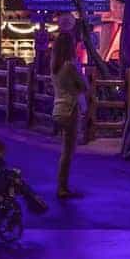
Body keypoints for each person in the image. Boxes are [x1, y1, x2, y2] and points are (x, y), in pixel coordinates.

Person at [52, 31, 91, 199]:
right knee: (68, 151)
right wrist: (80, 72)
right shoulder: (70, 66)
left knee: (65, 150)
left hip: (58, 108)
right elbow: (84, 86)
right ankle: (62, 187)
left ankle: (62, 185)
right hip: (70, 109)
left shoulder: (55, 66)